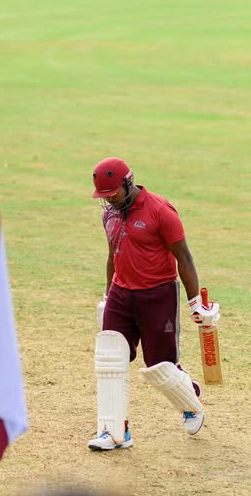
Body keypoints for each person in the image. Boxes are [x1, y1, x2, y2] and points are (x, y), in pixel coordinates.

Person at [88, 157, 220, 451]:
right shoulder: (110, 215)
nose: (109, 200)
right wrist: (108, 296)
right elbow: (114, 255)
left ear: (128, 183)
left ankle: (190, 398)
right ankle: (114, 431)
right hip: (121, 294)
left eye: (113, 193)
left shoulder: (160, 210)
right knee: (111, 359)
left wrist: (195, 302)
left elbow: (184, 257)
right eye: (104, 196)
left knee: (160, 366)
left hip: (158, 293)